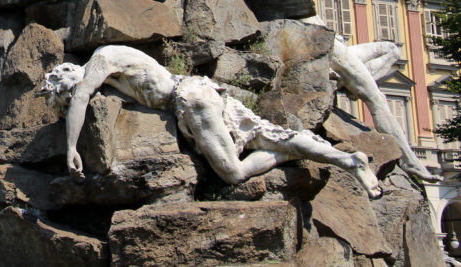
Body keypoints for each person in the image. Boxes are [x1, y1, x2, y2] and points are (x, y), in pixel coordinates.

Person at [40, 45, 382, 198]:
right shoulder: (113, 76)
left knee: (233, 172)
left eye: (63, 91)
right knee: (266, 135)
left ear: (69, 73)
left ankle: (292, 151)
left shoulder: (100, 60)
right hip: (196, 95)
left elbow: (83, 97)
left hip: (191, 100)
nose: (70, 98)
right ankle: (347, 159)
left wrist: (71, 147)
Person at [329, 32, 442, 183]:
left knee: (391, 50)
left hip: (335, 44)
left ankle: (352, 82)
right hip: (330, 48)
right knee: (377, 100)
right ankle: (409, 160)